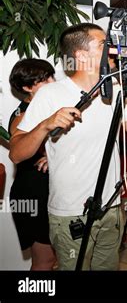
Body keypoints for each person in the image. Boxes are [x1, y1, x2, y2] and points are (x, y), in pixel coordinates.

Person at [9, 23, 127, 270]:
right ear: (81, 55)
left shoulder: (117, 90)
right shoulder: (51, 94)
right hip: (70, 212)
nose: (112, 50)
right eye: (103, 44)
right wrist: (46, 125)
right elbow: (16, 153)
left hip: (111, 207)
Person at [8, 59, 56, 270]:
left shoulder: (54, 107)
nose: (53, 82)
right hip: (33, 192)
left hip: (50, 189)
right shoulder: (22, 116)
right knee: (45, 260)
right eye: (44, 80)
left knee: (55, 258)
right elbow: (19, 150)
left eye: (52, 76)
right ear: (27, 88)